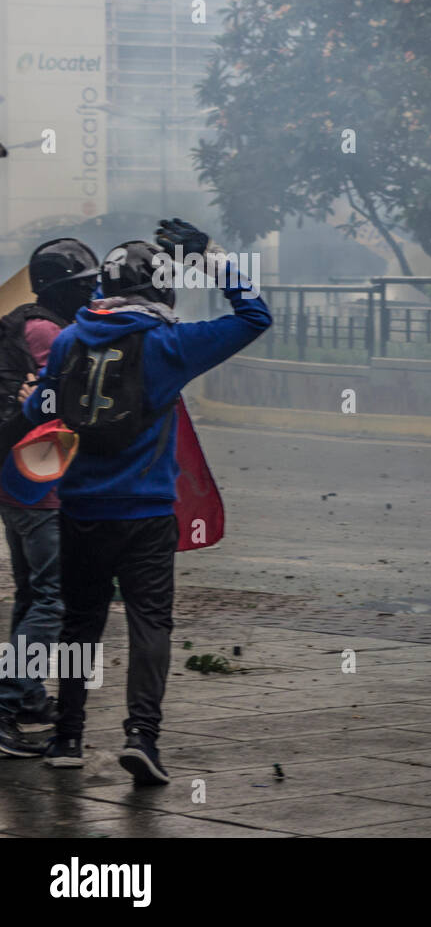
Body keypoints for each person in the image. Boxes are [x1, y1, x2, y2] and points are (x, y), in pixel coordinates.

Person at [26, 220, 271, 783]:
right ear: (162, 290)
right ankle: (143, 737)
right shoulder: (170, 345)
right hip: (146, 512)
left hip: (80, 509)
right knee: (149, 623)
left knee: (78, 623)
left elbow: (42, 409)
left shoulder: (68, 340)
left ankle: (67, 738)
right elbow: (255, 315)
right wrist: (208, 256)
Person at [0, 239, 98, 757]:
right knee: (53, 601)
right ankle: (5, 700)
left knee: (31, 595)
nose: (92, 293)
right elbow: (67, 395)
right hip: (40, 485)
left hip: (16, 483)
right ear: (60, 289)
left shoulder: (23, 321)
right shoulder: (48, 331)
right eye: (83, 286)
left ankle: (30, 695)